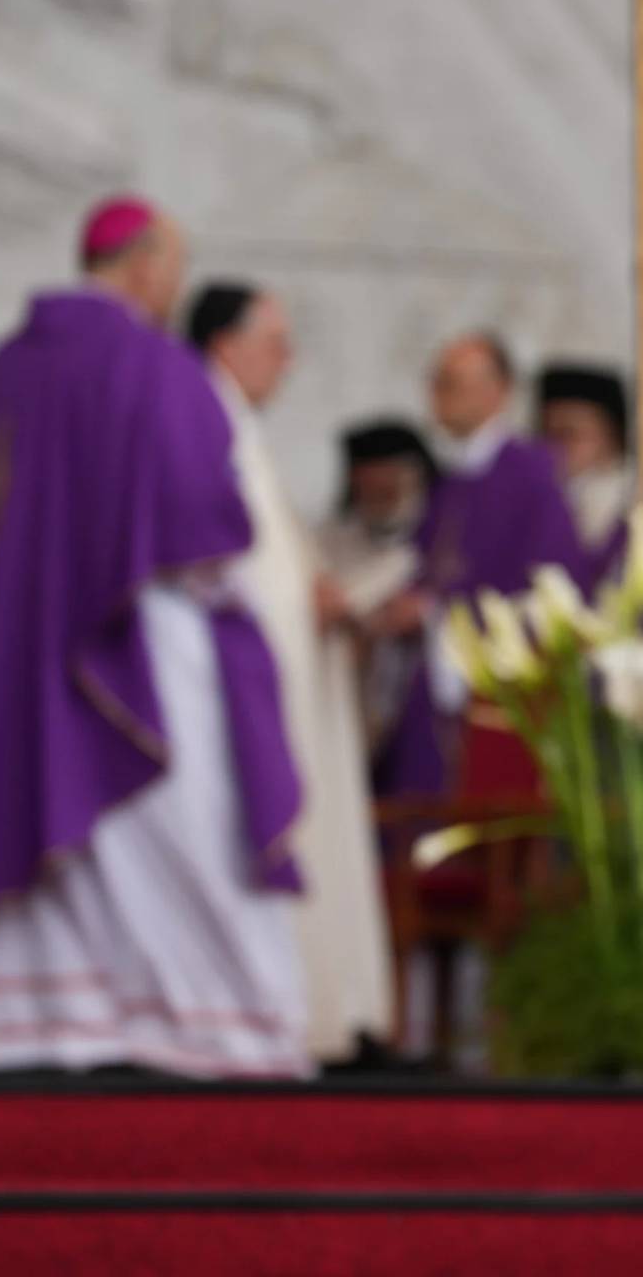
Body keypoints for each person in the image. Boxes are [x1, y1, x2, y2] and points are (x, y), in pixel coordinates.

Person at [0, 198, 309, 1077]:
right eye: (176, 269)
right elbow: (204, 531)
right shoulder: (154, 366)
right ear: (146, 265)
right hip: (139, 663)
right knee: (180, 840)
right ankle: (205, 1027)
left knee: (25, 815)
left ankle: (36, 1024)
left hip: (3, 682)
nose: (175, 289)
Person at [187, 281, 395, 1063]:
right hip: (246, 689)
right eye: (275, 343)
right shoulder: (207, 425)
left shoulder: (234, 425)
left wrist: (319, 593)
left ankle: (323, 1009)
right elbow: (234, 576)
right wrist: (312, 600)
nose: (289, 359)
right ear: (227, 346)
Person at [372, 333, 583, 797]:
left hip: (498, 691)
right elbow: (428, 569)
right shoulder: (451, 482)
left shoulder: (531, 473)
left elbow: (551, 586)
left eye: (451, 383)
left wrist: (431, 612)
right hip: (436, 682)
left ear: (497, 392)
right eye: (436, 382)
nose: (437, 396)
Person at [314, 418, 434, 749]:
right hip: (352, 697)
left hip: (418, 696)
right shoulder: (329, 540)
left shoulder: (438, 537)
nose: (381, 490)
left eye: (391, 480)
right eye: (369, 482)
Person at [535, 363, 633, 593]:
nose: (556, 446)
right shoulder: (542, 492)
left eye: (569, 433)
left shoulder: (635, 497)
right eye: (548, 433)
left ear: (612, 435)